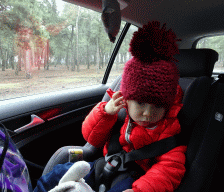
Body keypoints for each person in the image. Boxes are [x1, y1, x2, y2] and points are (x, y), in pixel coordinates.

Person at [34, 21, 187, 192]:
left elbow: (170, 168)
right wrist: (106, 113)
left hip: (136, 177)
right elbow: (91, 137)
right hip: (104, 164)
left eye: (158, 106)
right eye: (141, 103)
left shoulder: (169, 129)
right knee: (58, 173)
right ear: (127, 98)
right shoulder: (118, 110)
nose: (148, 112)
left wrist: (142, 190)